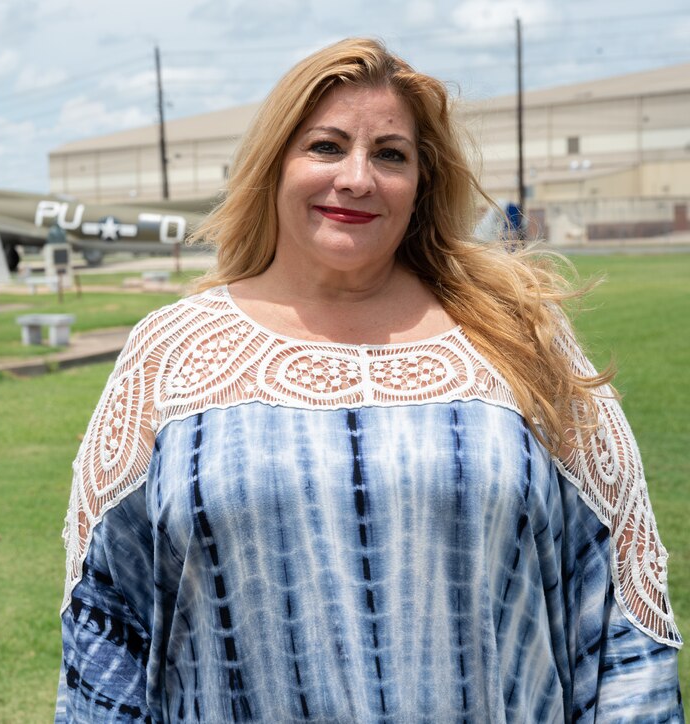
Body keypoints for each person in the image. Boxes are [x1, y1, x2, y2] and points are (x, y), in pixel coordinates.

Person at [56, 38, 682, 722]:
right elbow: (105, 627)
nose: (357, 178)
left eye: (390, 154)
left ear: (421, 184)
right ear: (273, 166)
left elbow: (622, 608)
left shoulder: (518, 338)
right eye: (325, 146)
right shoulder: (171, 354)